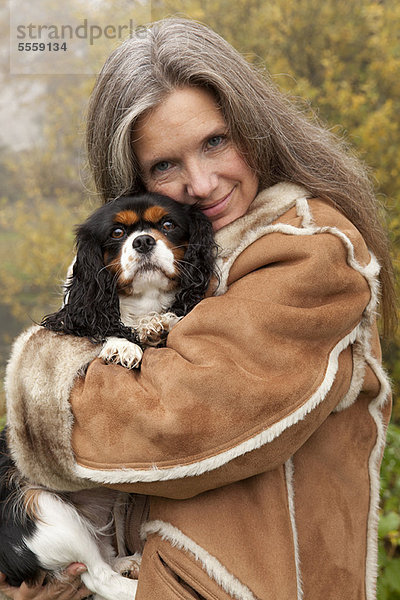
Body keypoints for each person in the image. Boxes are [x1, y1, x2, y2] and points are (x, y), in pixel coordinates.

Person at [1, 17, 395, 600]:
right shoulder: (172, 262)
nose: (203, 183)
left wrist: (51, 377)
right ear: (134, 178)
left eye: (216, 141)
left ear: (254, 128)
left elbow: (172, 422)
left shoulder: (307, 251)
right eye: (165, 165)